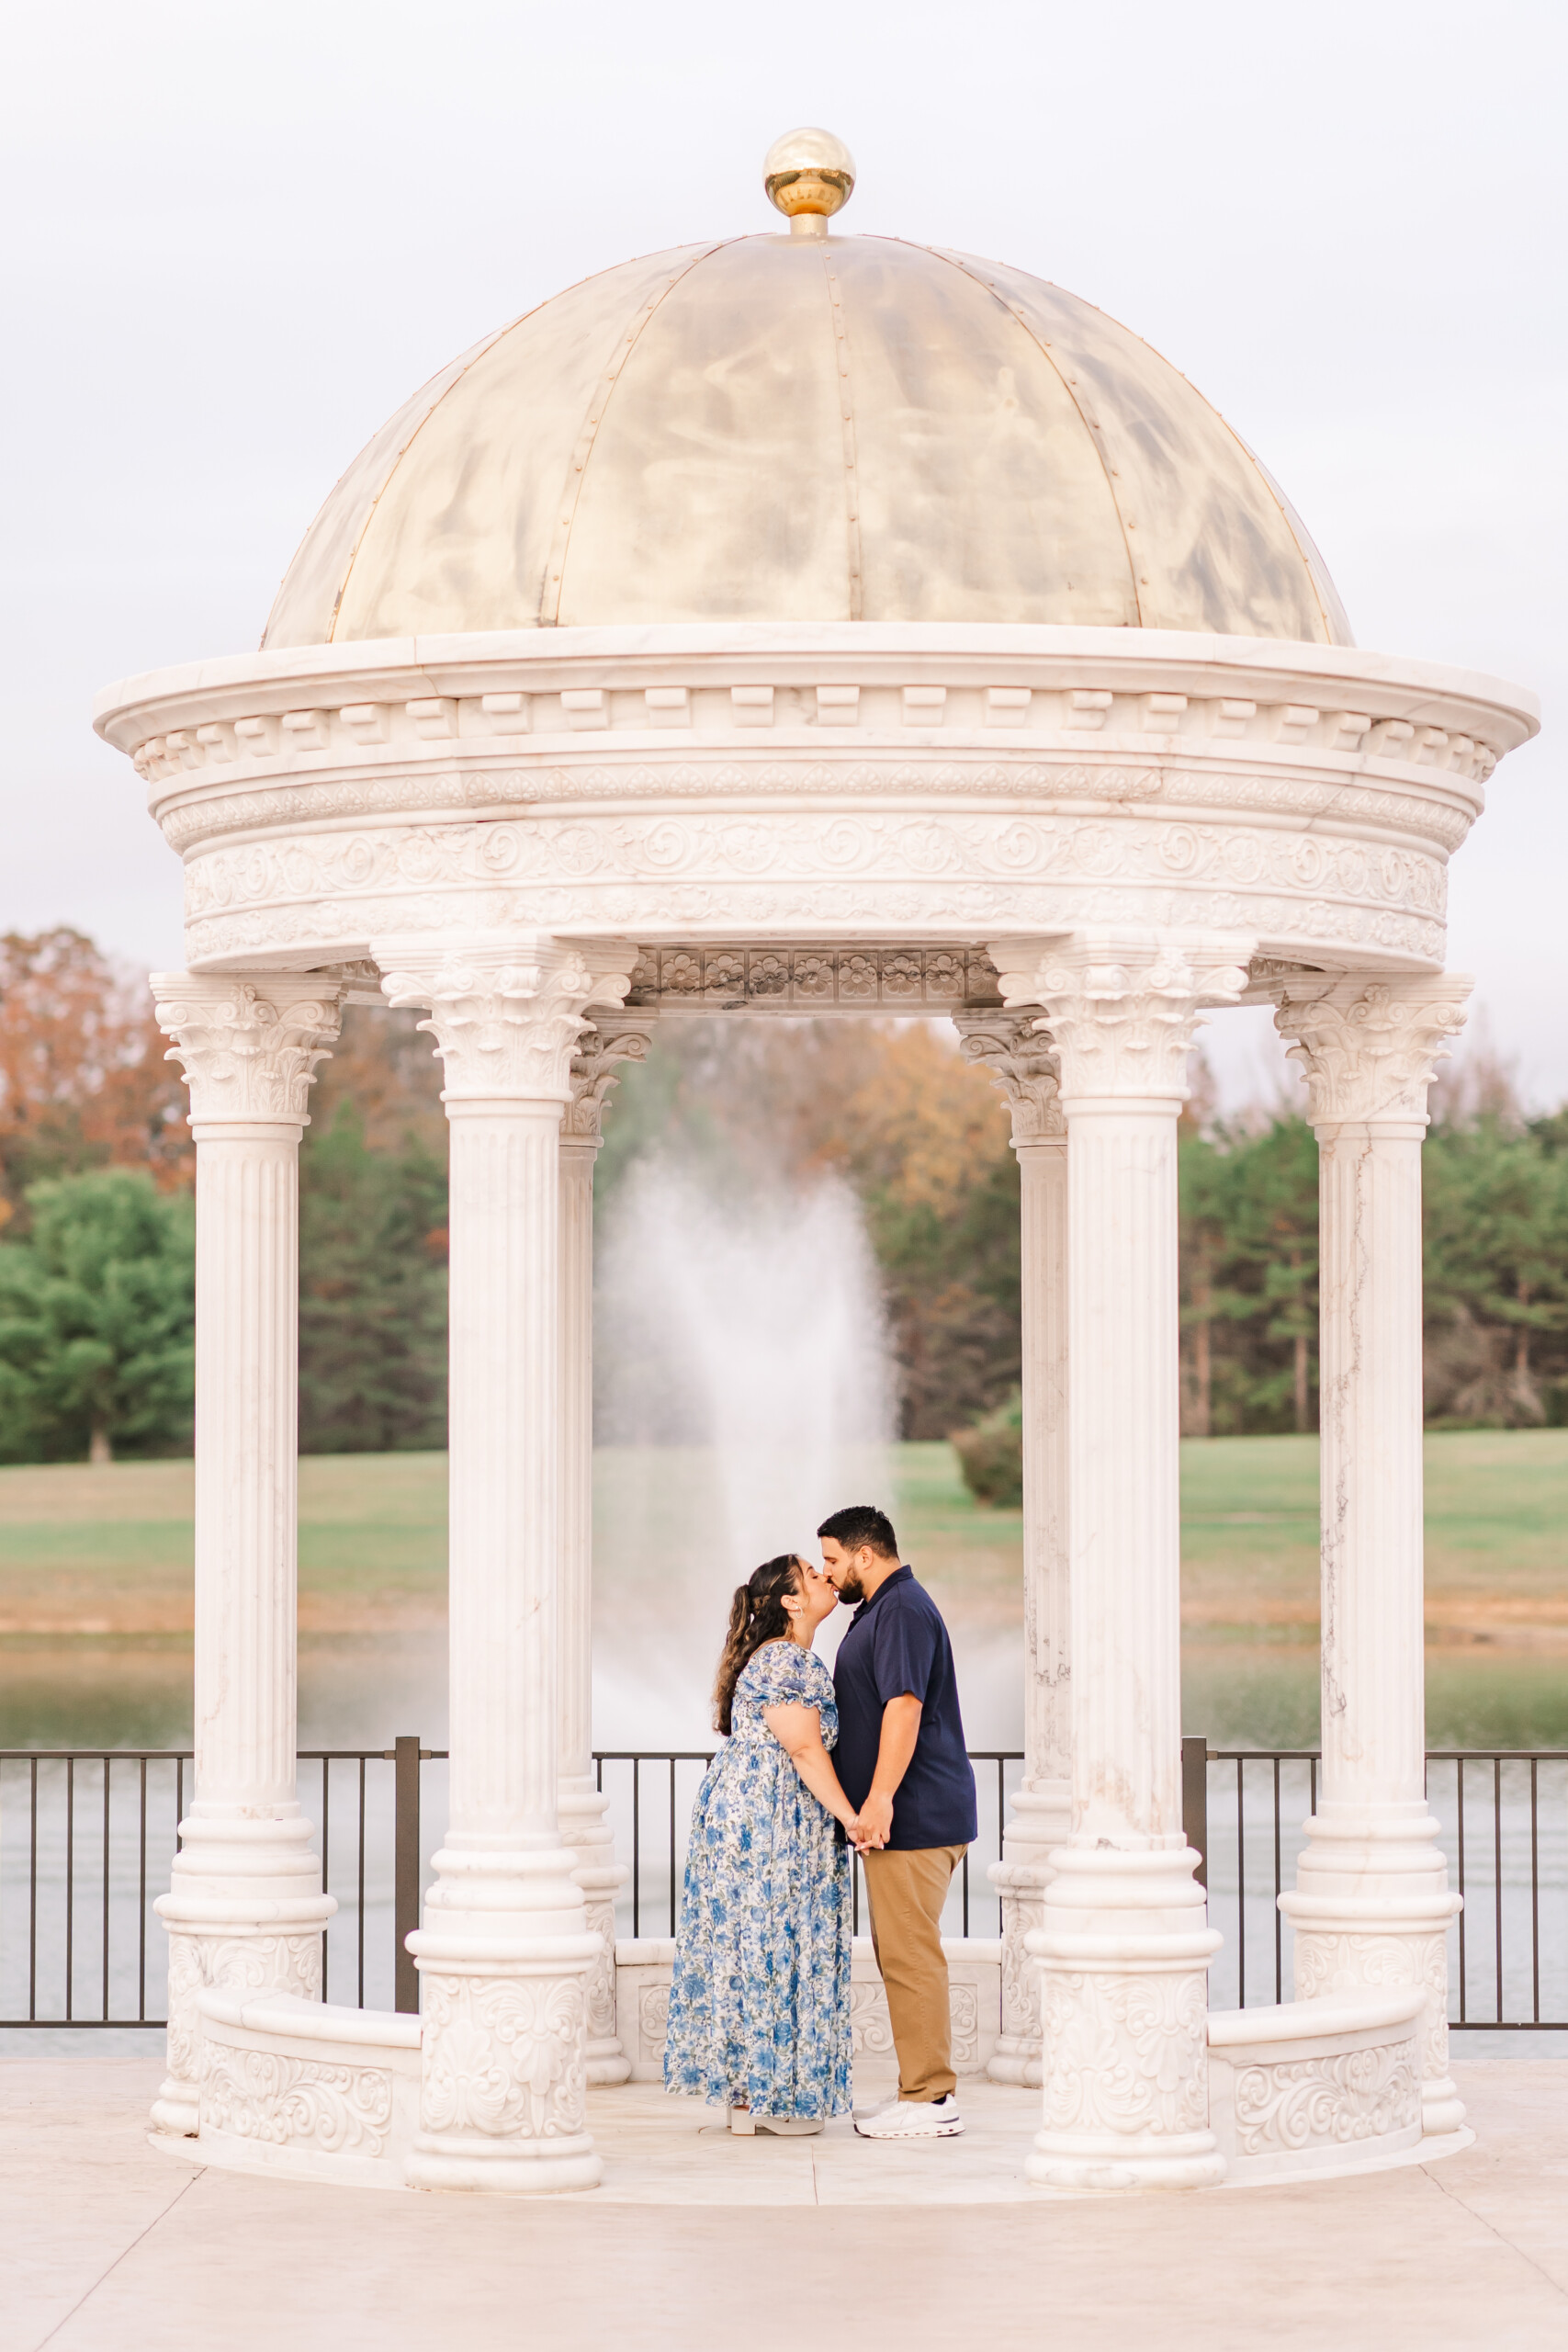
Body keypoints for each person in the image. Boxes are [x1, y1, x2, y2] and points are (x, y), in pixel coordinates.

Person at [662, 1553, 858, 2135]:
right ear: (792, 1601)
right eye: (814, 1574)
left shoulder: (778, 1657)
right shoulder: (786, 1659)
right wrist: (851, 1817)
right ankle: (768, 2099)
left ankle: (752, 2095)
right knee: (774, 1938)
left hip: (756, 1813)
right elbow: (802, 1749)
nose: (827, 1578)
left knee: (755, 1939)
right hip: (768, 1818)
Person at [819, 1503, 977, 2140]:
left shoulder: (902, 1609)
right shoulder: (883, 1610)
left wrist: (879, 1796)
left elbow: (904, 1706)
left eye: (832, 1560)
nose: (828, 1574)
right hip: (904, 1817)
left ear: (865, 1554)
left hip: (912, 1815)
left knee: (909, 1956)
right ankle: (918, 2091)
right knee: (900, 1952)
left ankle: (932, 2099)